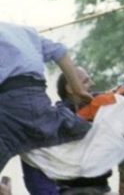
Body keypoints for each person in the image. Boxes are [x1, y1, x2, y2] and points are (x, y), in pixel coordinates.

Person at [0, 21, 92, 172]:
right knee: (82, 130)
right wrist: (78, 88)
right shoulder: (24, 30)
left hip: (10, 105)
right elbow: (60, 52)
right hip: (37, 99)